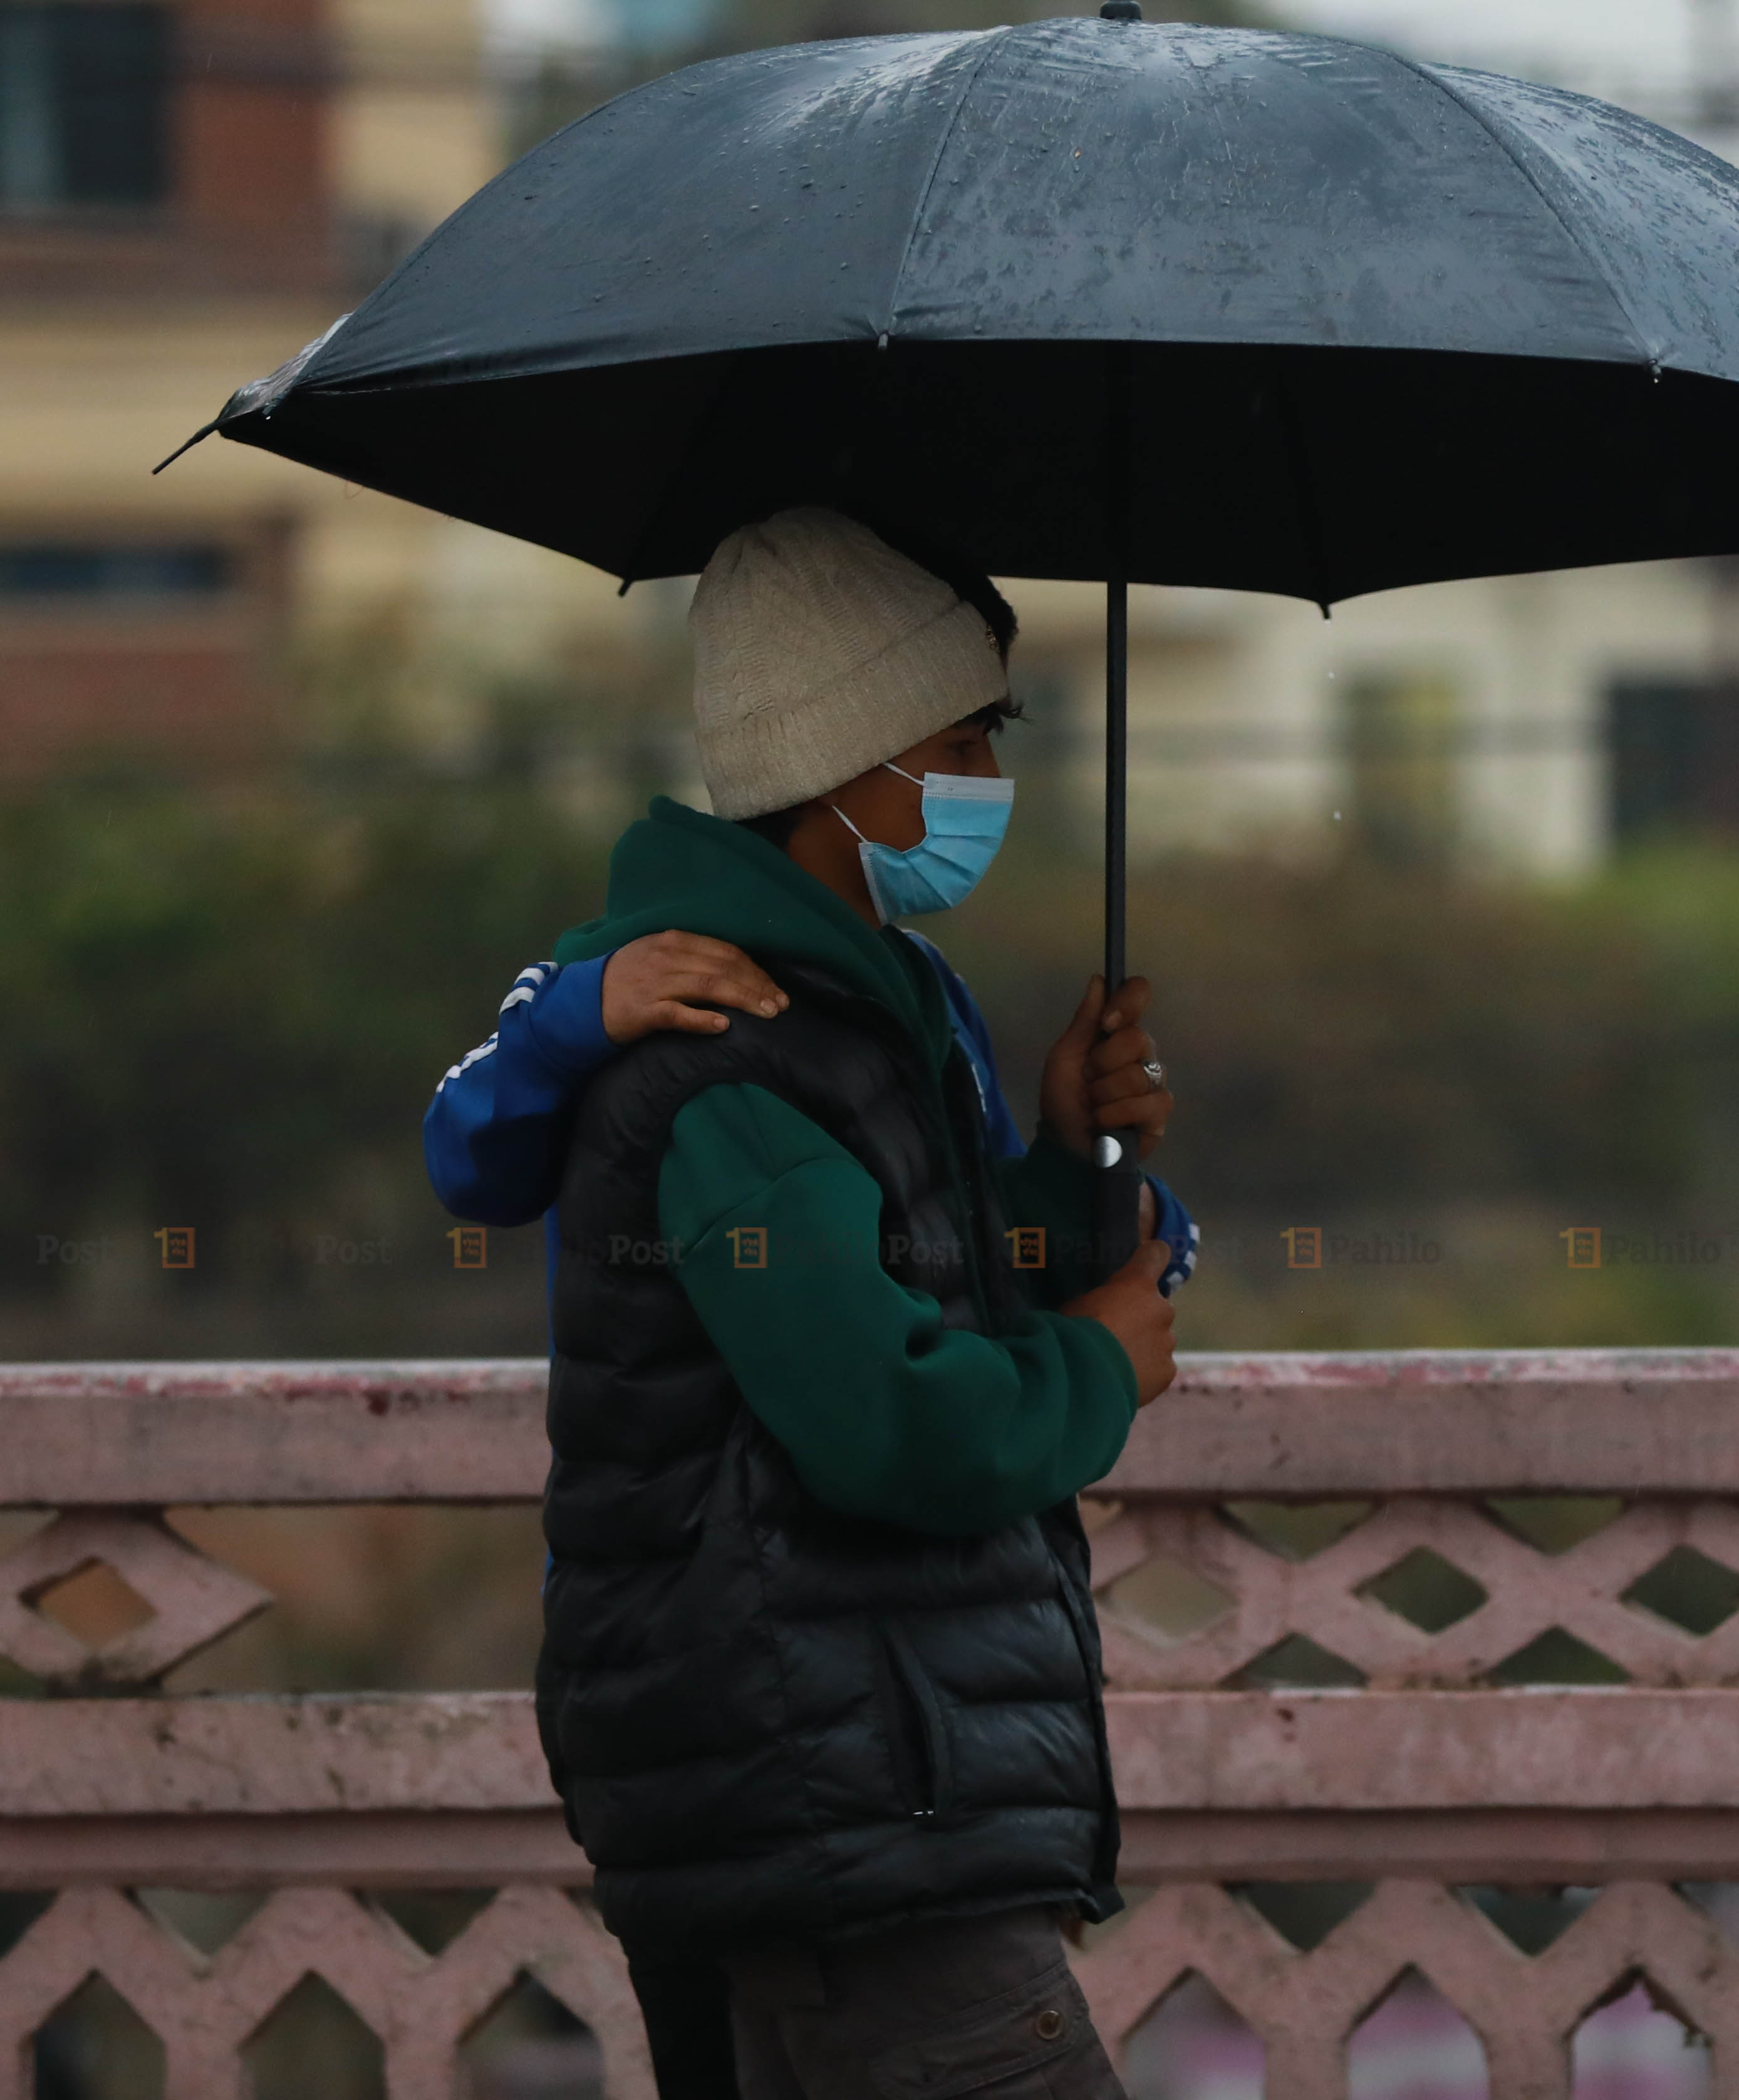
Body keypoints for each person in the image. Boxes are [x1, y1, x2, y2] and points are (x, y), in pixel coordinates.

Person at [450, 506, 1190, 2100]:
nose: (991, 772)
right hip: (837, 1801)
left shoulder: (882, 997)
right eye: (965, 735)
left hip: (840, 1778)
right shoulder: (724, 1042)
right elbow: (892, 1413)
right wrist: (1094, 1373)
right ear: (855, 762)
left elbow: (927, 1263)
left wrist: (1076, 1162)